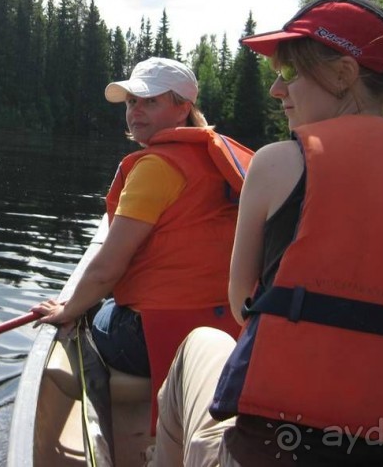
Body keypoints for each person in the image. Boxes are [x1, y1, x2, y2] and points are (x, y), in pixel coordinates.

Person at [150, 0, 383, 467]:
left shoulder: (277, 163)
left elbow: (242, 304)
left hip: (274, 452)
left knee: (199, 345)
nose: (277, 89)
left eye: (290, 71)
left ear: (343, 74)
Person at [33, 56, 252, 428]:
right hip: (228, 328)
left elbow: (107, 268)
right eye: (132, 102)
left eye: (150, 101)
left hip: (158, 334)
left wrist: (69, 312)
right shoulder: (221, 157)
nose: (135, 111)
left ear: (183, 106)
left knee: (89, 318)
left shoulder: (156, 167)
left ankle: (105, 426)